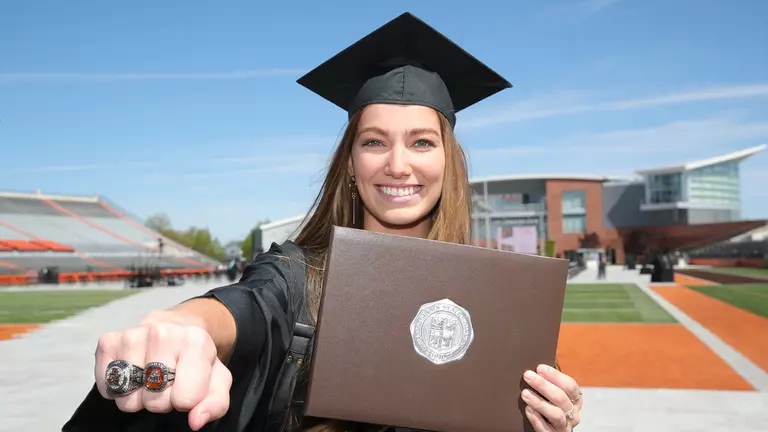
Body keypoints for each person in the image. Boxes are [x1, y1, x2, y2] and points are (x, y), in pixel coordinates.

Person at [63, 12, 584, 432]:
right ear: (351, 165)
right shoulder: (299, 277)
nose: (397, 164)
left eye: (422, 141)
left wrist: (542, 422)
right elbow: (249, 308)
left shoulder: (494, 299)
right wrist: (185, 327)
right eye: (374, 141)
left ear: (450, 162)